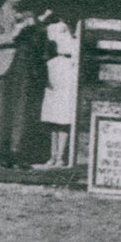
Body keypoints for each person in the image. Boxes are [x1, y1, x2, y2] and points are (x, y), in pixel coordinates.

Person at [0, 0, 47, 168]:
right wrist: (12, 35)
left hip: (24, 65)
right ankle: (0, 151)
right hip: (3, 66)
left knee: (21, 109)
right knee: (1, 110)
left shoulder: (29, 14)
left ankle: (17, 150)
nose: (19, 0)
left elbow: (40, 41)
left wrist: (36, 27)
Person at [39, 14, 77, 167]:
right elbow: (39, 29)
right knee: (53, 115)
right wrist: (46, 16)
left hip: (71, 68)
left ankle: (60, 156)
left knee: (65, 115)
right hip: (55, 67)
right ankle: (52, 155)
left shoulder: (78, 29)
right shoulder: (53, 28)